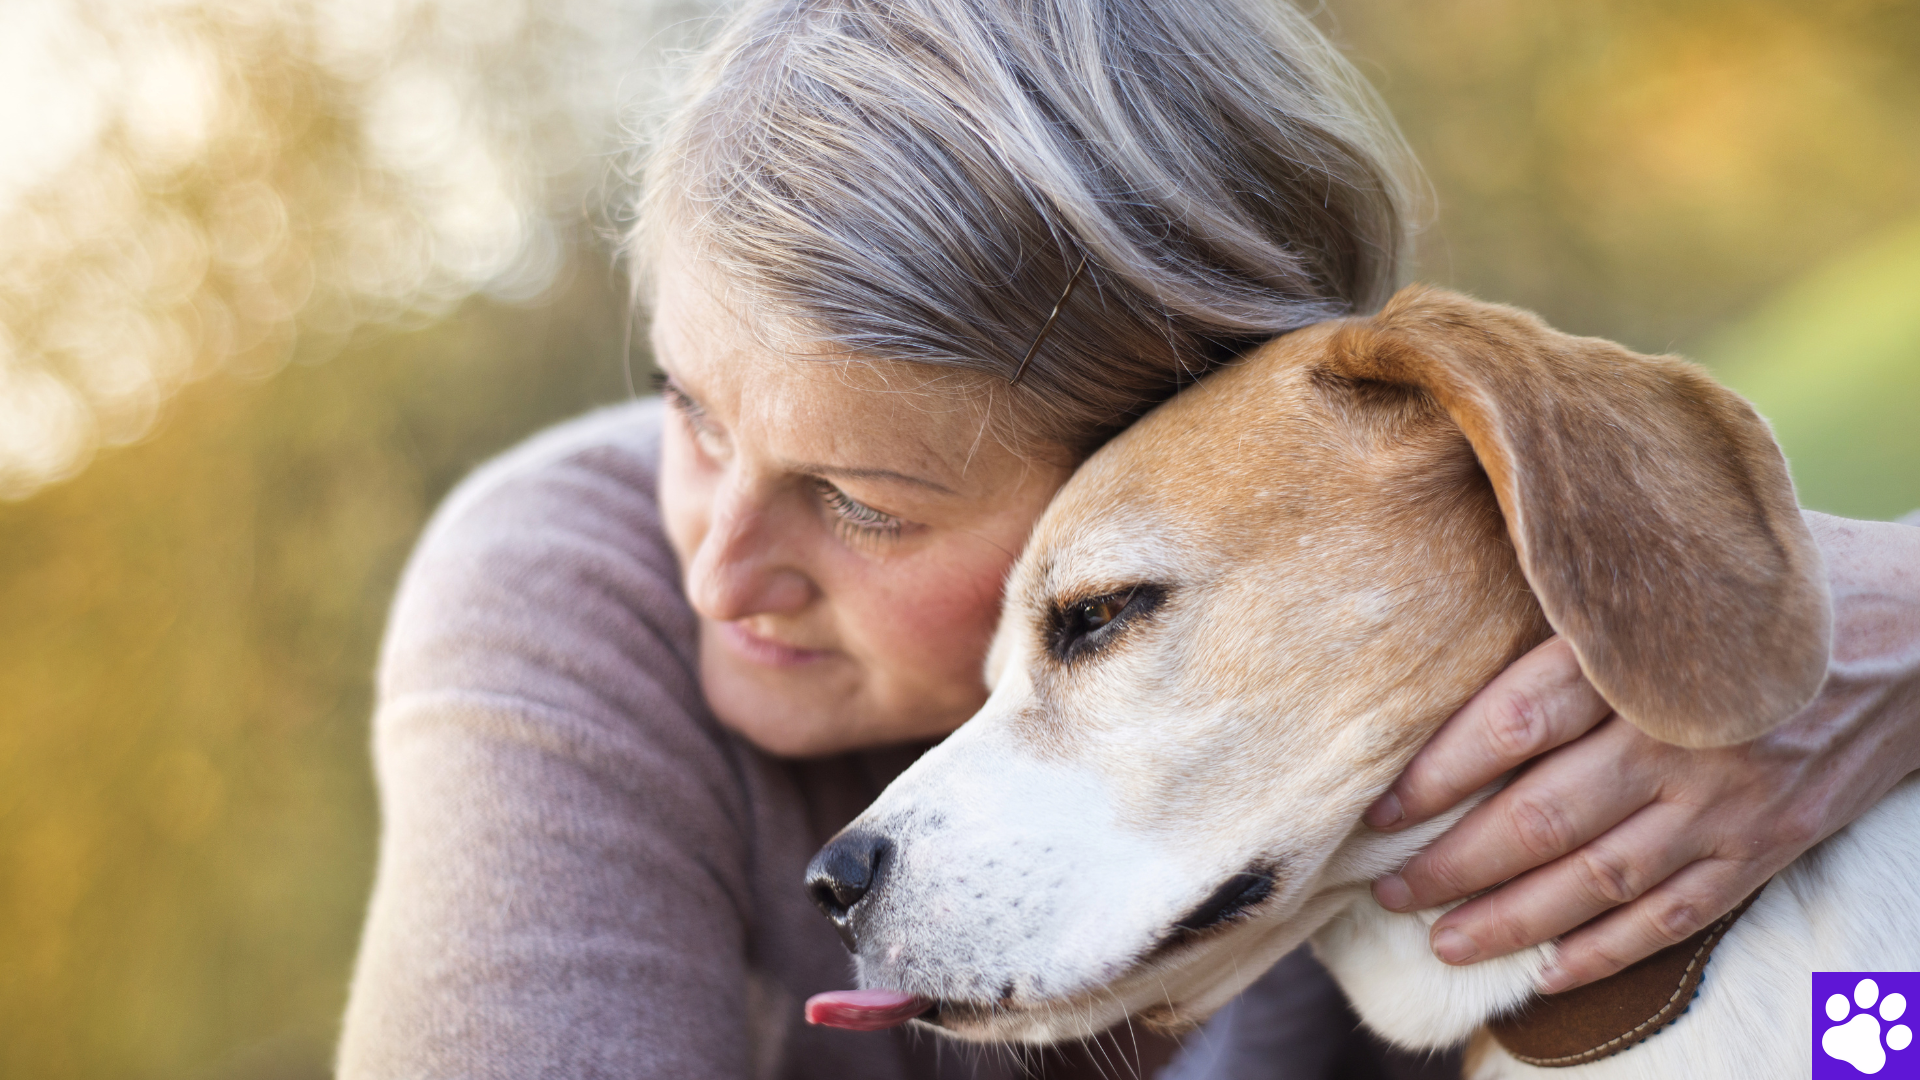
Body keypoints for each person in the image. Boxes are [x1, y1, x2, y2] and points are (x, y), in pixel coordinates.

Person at [335, 0, 1920, 1075]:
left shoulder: (1367, 501)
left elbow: (1866, 1020)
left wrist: (1857, 615)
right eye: (685, 405)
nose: (712, 565)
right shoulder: (565, 606)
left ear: (1158, 429)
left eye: (867, 502)